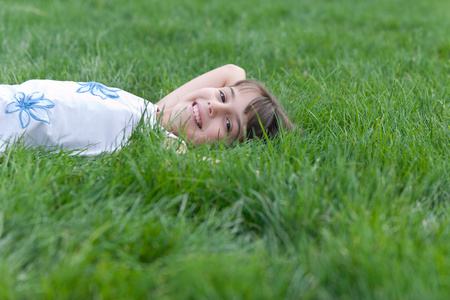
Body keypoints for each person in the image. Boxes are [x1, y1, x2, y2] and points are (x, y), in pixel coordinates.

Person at [0, 64, 292, 155]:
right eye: (221, 96)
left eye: (229, 125)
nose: (214, 106)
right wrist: (168, 111)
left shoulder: (165, 144)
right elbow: (232, 71)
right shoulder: (153, 113)